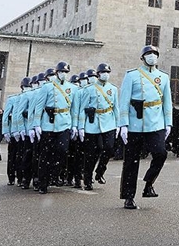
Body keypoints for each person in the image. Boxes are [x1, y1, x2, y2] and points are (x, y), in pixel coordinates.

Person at [118, 45, 173, 210]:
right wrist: (123, 124)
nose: (152, 57)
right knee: (131, 161)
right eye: (148, 54)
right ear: (142, 57)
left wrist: (168, 122)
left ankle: (149, 183)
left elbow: (167, 101)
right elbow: (124, 101)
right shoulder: (132, 75)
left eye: (154, 54)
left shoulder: (163, 77)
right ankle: (128, 196)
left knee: (160, 153)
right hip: (135, 123)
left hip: (155, 122)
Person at [29, 61, 78, 194]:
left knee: (62, 150)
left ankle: (53, 174)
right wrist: (36, 124)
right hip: (48, 124)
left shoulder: (73, 88)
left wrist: (75, 126)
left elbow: (74, 109)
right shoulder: (47, 87)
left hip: (64, 122)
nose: (64, 74)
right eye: (62, 72)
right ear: (56, 73)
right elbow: (39, 106)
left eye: (66, 72)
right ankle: (42, 182)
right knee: (45, 154)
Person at [78, 63, 119, 191]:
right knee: (91, 153)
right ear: (98, 74)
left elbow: (116, 108)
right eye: (103, 72)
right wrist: (81, 127)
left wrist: (118, 125)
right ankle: (88, 179)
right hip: (93, 123)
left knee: (109, 148)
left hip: (109, 122)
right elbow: (82, 109)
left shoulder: (113, 89)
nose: (105, 75)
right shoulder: (89, 89)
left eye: (107, 72)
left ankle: (100, 171)